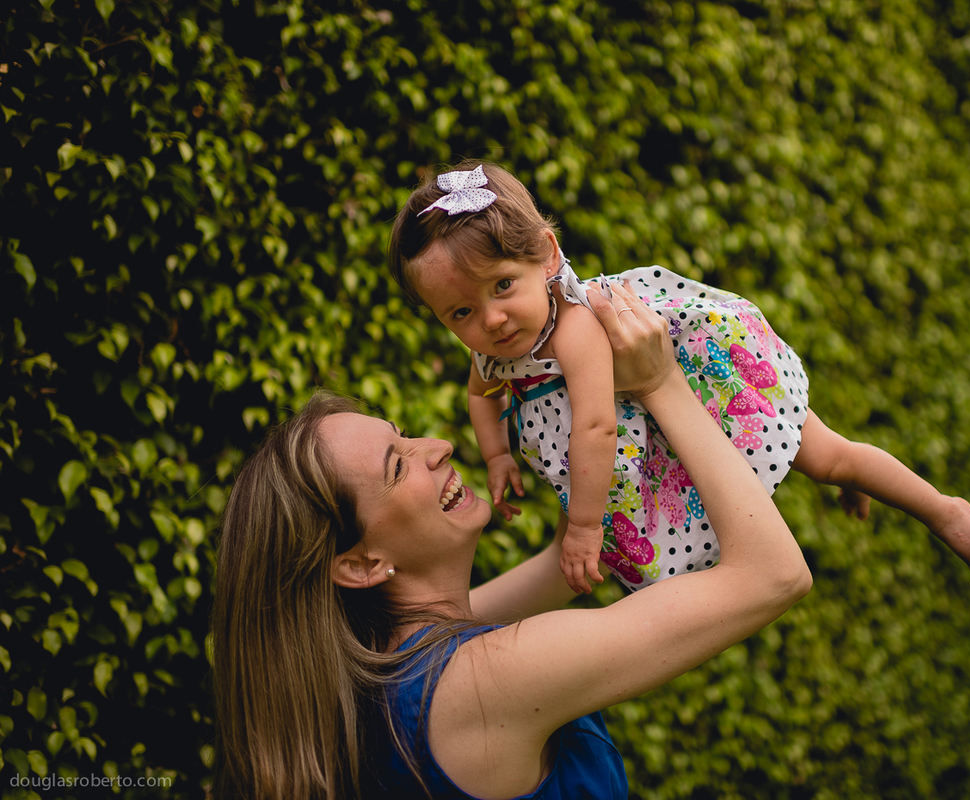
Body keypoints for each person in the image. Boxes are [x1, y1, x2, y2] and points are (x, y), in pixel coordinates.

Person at [211, 283, 812, 799]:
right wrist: (661, 384)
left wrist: (583, 409)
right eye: (398, 466)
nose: (438, 446)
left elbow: (573, 556)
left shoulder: (389, 670)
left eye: (401, 434)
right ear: (362, 563)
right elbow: (772, 575)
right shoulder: (481, 682)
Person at [388, 160, 970, 594]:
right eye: (461, 312)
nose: (492, 321)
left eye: (503, 287)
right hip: (656, 437)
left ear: (548, 256)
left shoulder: (573, 329)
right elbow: (481, 393)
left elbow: (598, 428)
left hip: (703, 389)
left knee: (830, 457)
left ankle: (942, 509)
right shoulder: (495, 346)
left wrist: (582, 529)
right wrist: (497, 456)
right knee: (811, 465)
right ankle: (846, 479)